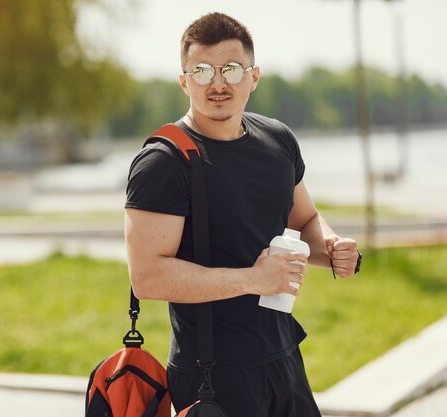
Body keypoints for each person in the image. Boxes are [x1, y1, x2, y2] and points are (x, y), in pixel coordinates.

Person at [124, 12, 361, 417]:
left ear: (253, 77)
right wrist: (254, 279)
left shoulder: (277, 139)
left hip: (283, 358)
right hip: (212, 379)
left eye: (231, 70)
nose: (217, 83)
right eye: (202, 71)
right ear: (184, 81)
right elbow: (147, 277)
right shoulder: (163, 162)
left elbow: (304, 220)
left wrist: (331, 247)